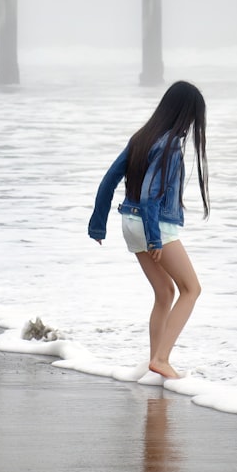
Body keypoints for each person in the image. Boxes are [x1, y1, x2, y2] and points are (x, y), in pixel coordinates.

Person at [88, 80, 210, 380]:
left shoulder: (142, 137)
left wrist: (98, 224)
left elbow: (108, 181)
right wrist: (155, 238)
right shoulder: (170, 146)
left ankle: (155, 364)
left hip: (129, 223)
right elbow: (150, 195)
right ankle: (162, 359)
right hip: (153, 225)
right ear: (186, 114)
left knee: (164, 291)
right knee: (191, 289)